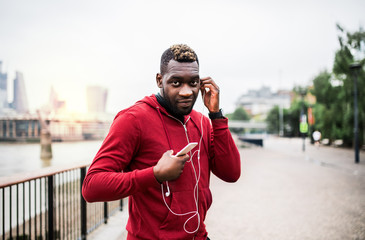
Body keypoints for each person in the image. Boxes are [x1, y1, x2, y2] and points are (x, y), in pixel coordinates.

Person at [82, 44, 241, 240]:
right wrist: (155, 174)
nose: (186, 92)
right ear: (159, 80)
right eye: (176, 83)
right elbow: (91, 186)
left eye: (193, 83)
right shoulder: (133, 119)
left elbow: (231, 174)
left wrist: (216, 116)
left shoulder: (202, 121)